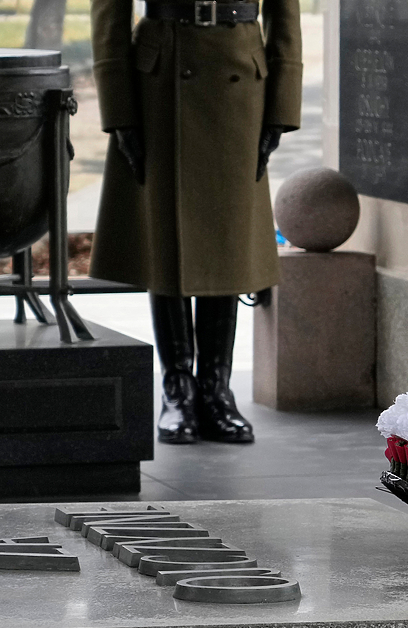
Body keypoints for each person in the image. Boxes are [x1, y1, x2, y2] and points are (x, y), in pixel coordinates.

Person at [88, 0, 302, 444]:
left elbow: (285, 13)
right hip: (162, 80)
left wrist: (282, 105)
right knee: (166, 236)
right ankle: (177, 389)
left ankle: (216, 391)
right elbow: (109, 12)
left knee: (228, 236)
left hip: (239, 79)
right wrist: (119, 108)